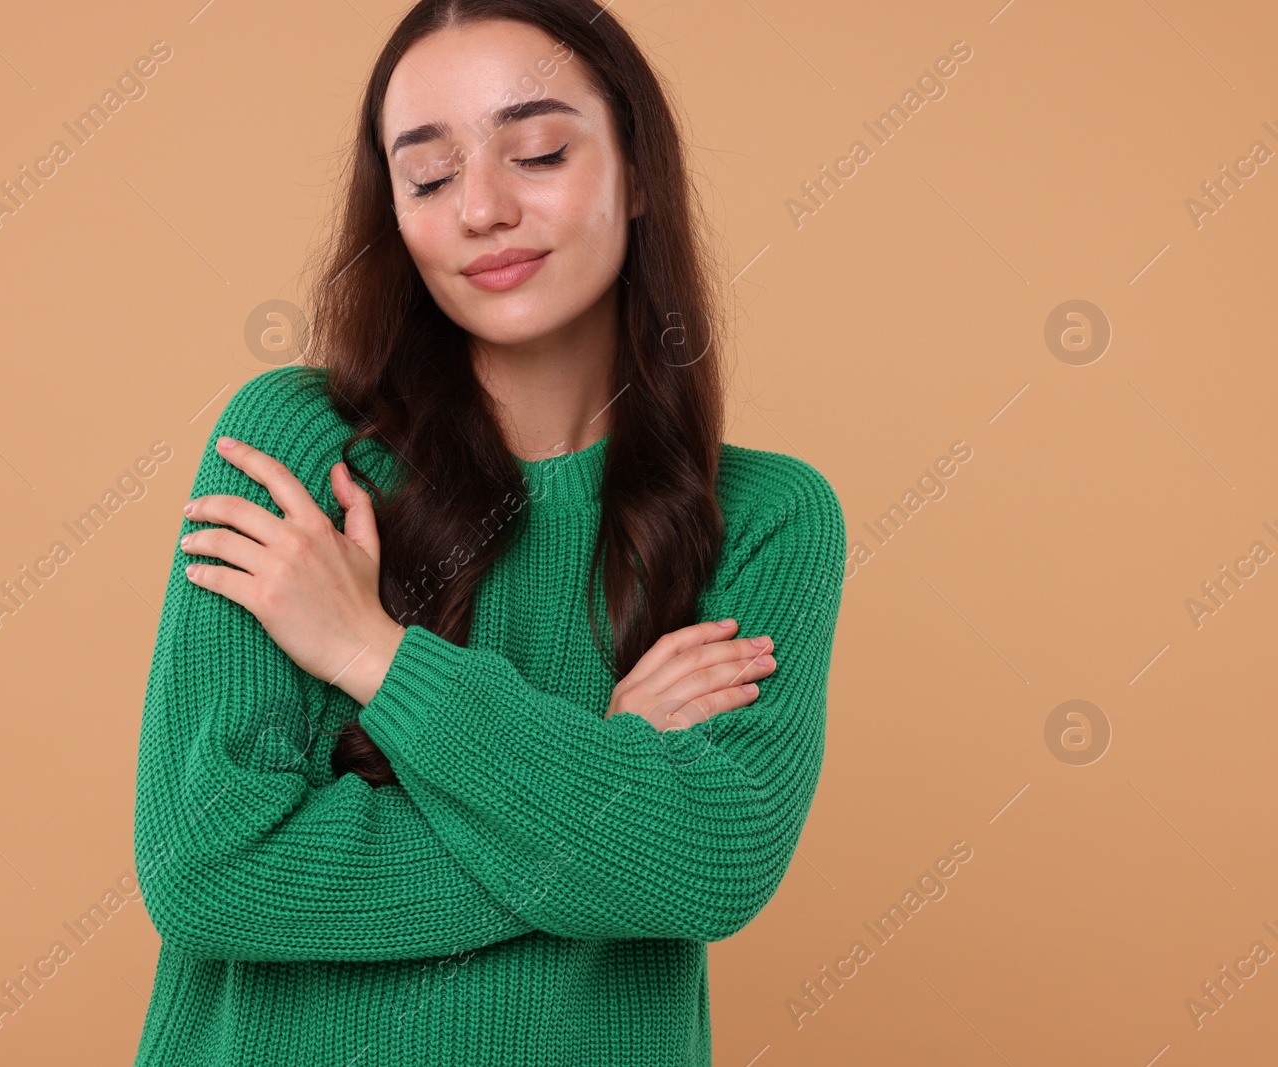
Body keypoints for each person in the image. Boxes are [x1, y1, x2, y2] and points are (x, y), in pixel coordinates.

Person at [130, 1, 846, 1064]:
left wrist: (373, 652)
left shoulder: (767, 520)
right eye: (427, 176)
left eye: (539, 152)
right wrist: (613, 777)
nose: (481, 207)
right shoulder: (293, 444)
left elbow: (713, 864)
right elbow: (212, 869)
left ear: (639, 174)